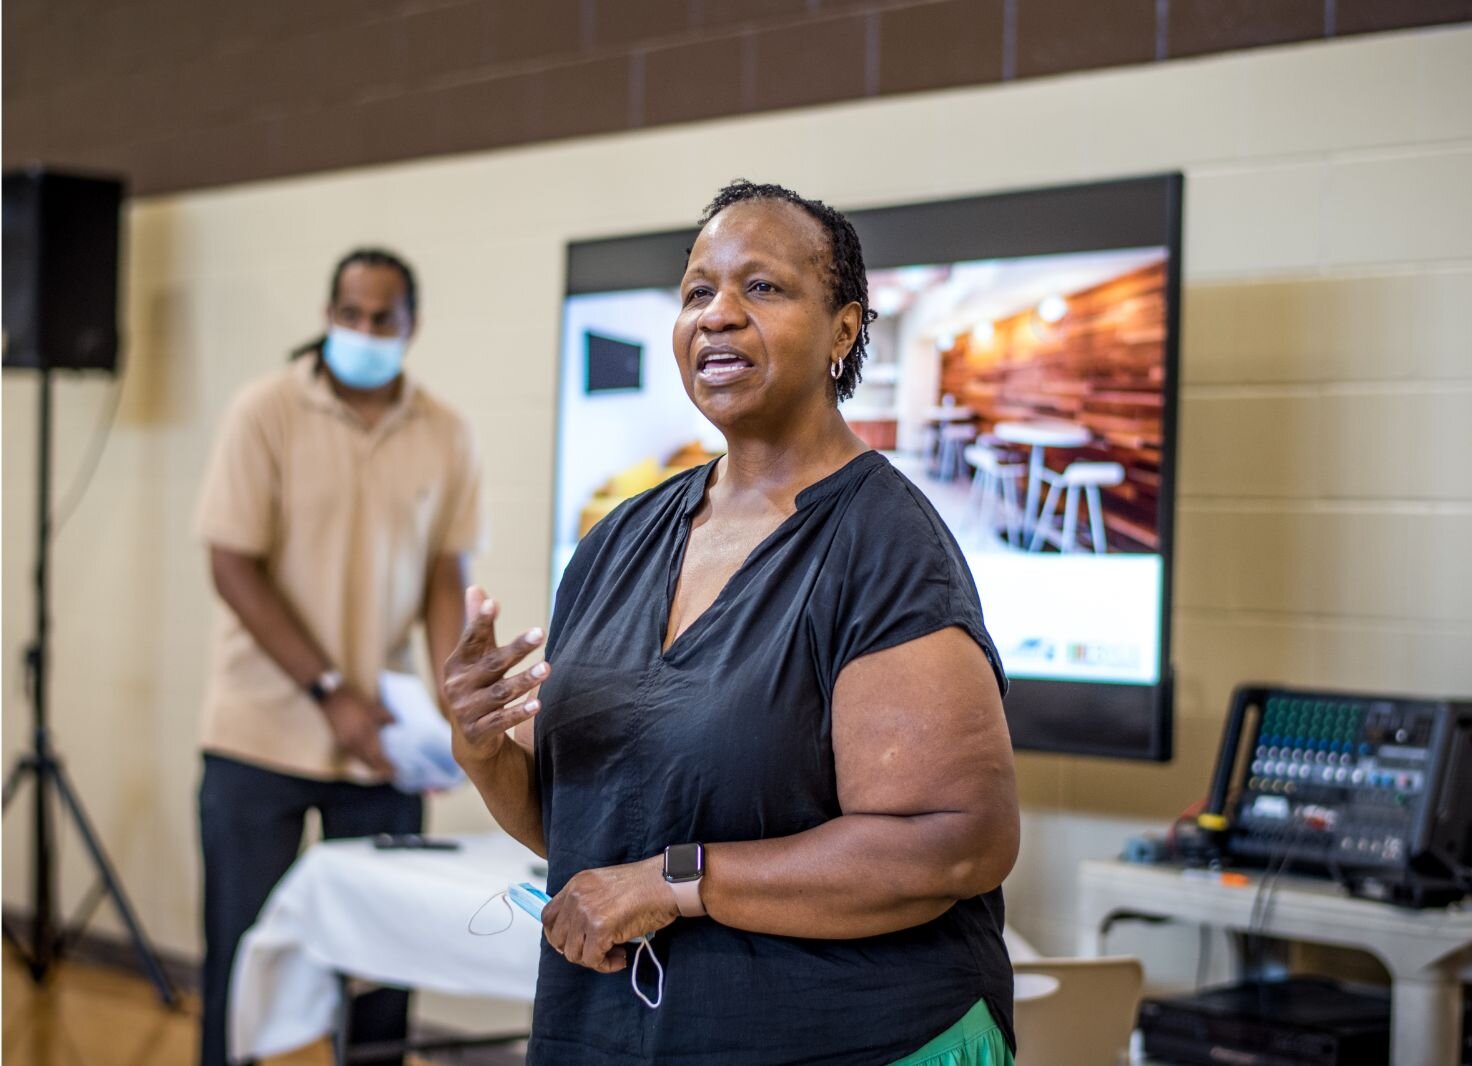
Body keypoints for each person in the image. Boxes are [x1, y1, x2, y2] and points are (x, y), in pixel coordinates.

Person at [443, 182, 1021, 1065]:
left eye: (763, 288)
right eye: (697, 291)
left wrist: (677, 883)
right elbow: (591, 836)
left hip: (845, 1041)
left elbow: (952, 845)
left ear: (843, 331)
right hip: (613, 1034)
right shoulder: (618, 541)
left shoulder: (883, 543)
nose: (718, 315)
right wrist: (484, 750)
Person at [194, 248, 484, 1066]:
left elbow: (442, 577)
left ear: (410, 326)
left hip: (383, 747)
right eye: (348, 315)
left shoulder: (445, 432)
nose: (362, 331)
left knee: (383, 969)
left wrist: (451, 706)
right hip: (258, 735)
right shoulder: (266, 411)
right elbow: (231, 564)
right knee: (241, 958)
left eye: (380, 318)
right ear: (328, 316)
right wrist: (329, 691)